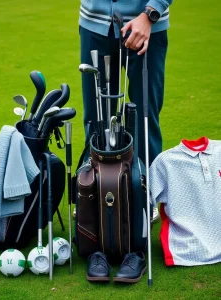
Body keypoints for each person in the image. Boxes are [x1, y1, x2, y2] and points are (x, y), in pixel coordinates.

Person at [79, 0, 173, 283]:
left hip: (146, 26)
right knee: (97, 120)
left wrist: (150, 13)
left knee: (144, 121)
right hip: (95, 22)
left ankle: (141, 213)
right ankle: (93, 209)